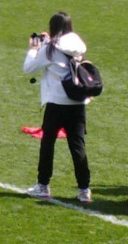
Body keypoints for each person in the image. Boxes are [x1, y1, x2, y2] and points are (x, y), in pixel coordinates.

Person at [23, 11, 92, 204]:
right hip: (77, 102)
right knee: (78, 146)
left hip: (56, 103)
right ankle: (84, 189)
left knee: (48, 144)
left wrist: (34, 49)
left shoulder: (50, 48)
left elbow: (28, 68)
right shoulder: (76, 43)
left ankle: (43, 185)